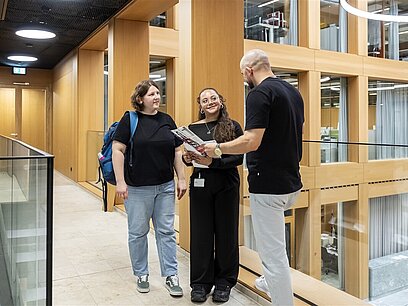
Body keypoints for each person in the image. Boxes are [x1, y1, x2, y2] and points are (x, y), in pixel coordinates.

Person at [201, 49, 304, 306]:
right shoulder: (292, 91)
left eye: (242, 75)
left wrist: (217, 148)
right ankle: (268, 282)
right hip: (291, 182)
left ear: (249, 71)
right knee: (276, 244)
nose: (244, 79)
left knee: (273, 255)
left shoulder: (259, 93)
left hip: (268, 185)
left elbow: (251, 141)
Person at [112, 79, 187, 297]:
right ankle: (142, 274)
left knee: (166, 231)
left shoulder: (167, 120)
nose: (157, 97)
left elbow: (177, 151)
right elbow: (118, 150)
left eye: (158, 93)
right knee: (138, 232)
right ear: (140, 99)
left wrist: (181, 178)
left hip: (164, 186)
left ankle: (171, 275)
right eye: (152, 94)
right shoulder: (130, 119)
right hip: (137, 188)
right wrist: (120, 182)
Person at [182, 88, 243, 303]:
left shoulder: (232, 126)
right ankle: (200, 283)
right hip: (200, 185)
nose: (210, 102)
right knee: (200, 234)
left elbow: (238, 158)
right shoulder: (192, 128)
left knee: (227, 233)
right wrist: (187, 159)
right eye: (205, 100)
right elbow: (188, 158)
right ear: (200, 105)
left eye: (213, 98)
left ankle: (224, 282)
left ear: (220, 100)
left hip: (226, 184)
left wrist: (214, 162)